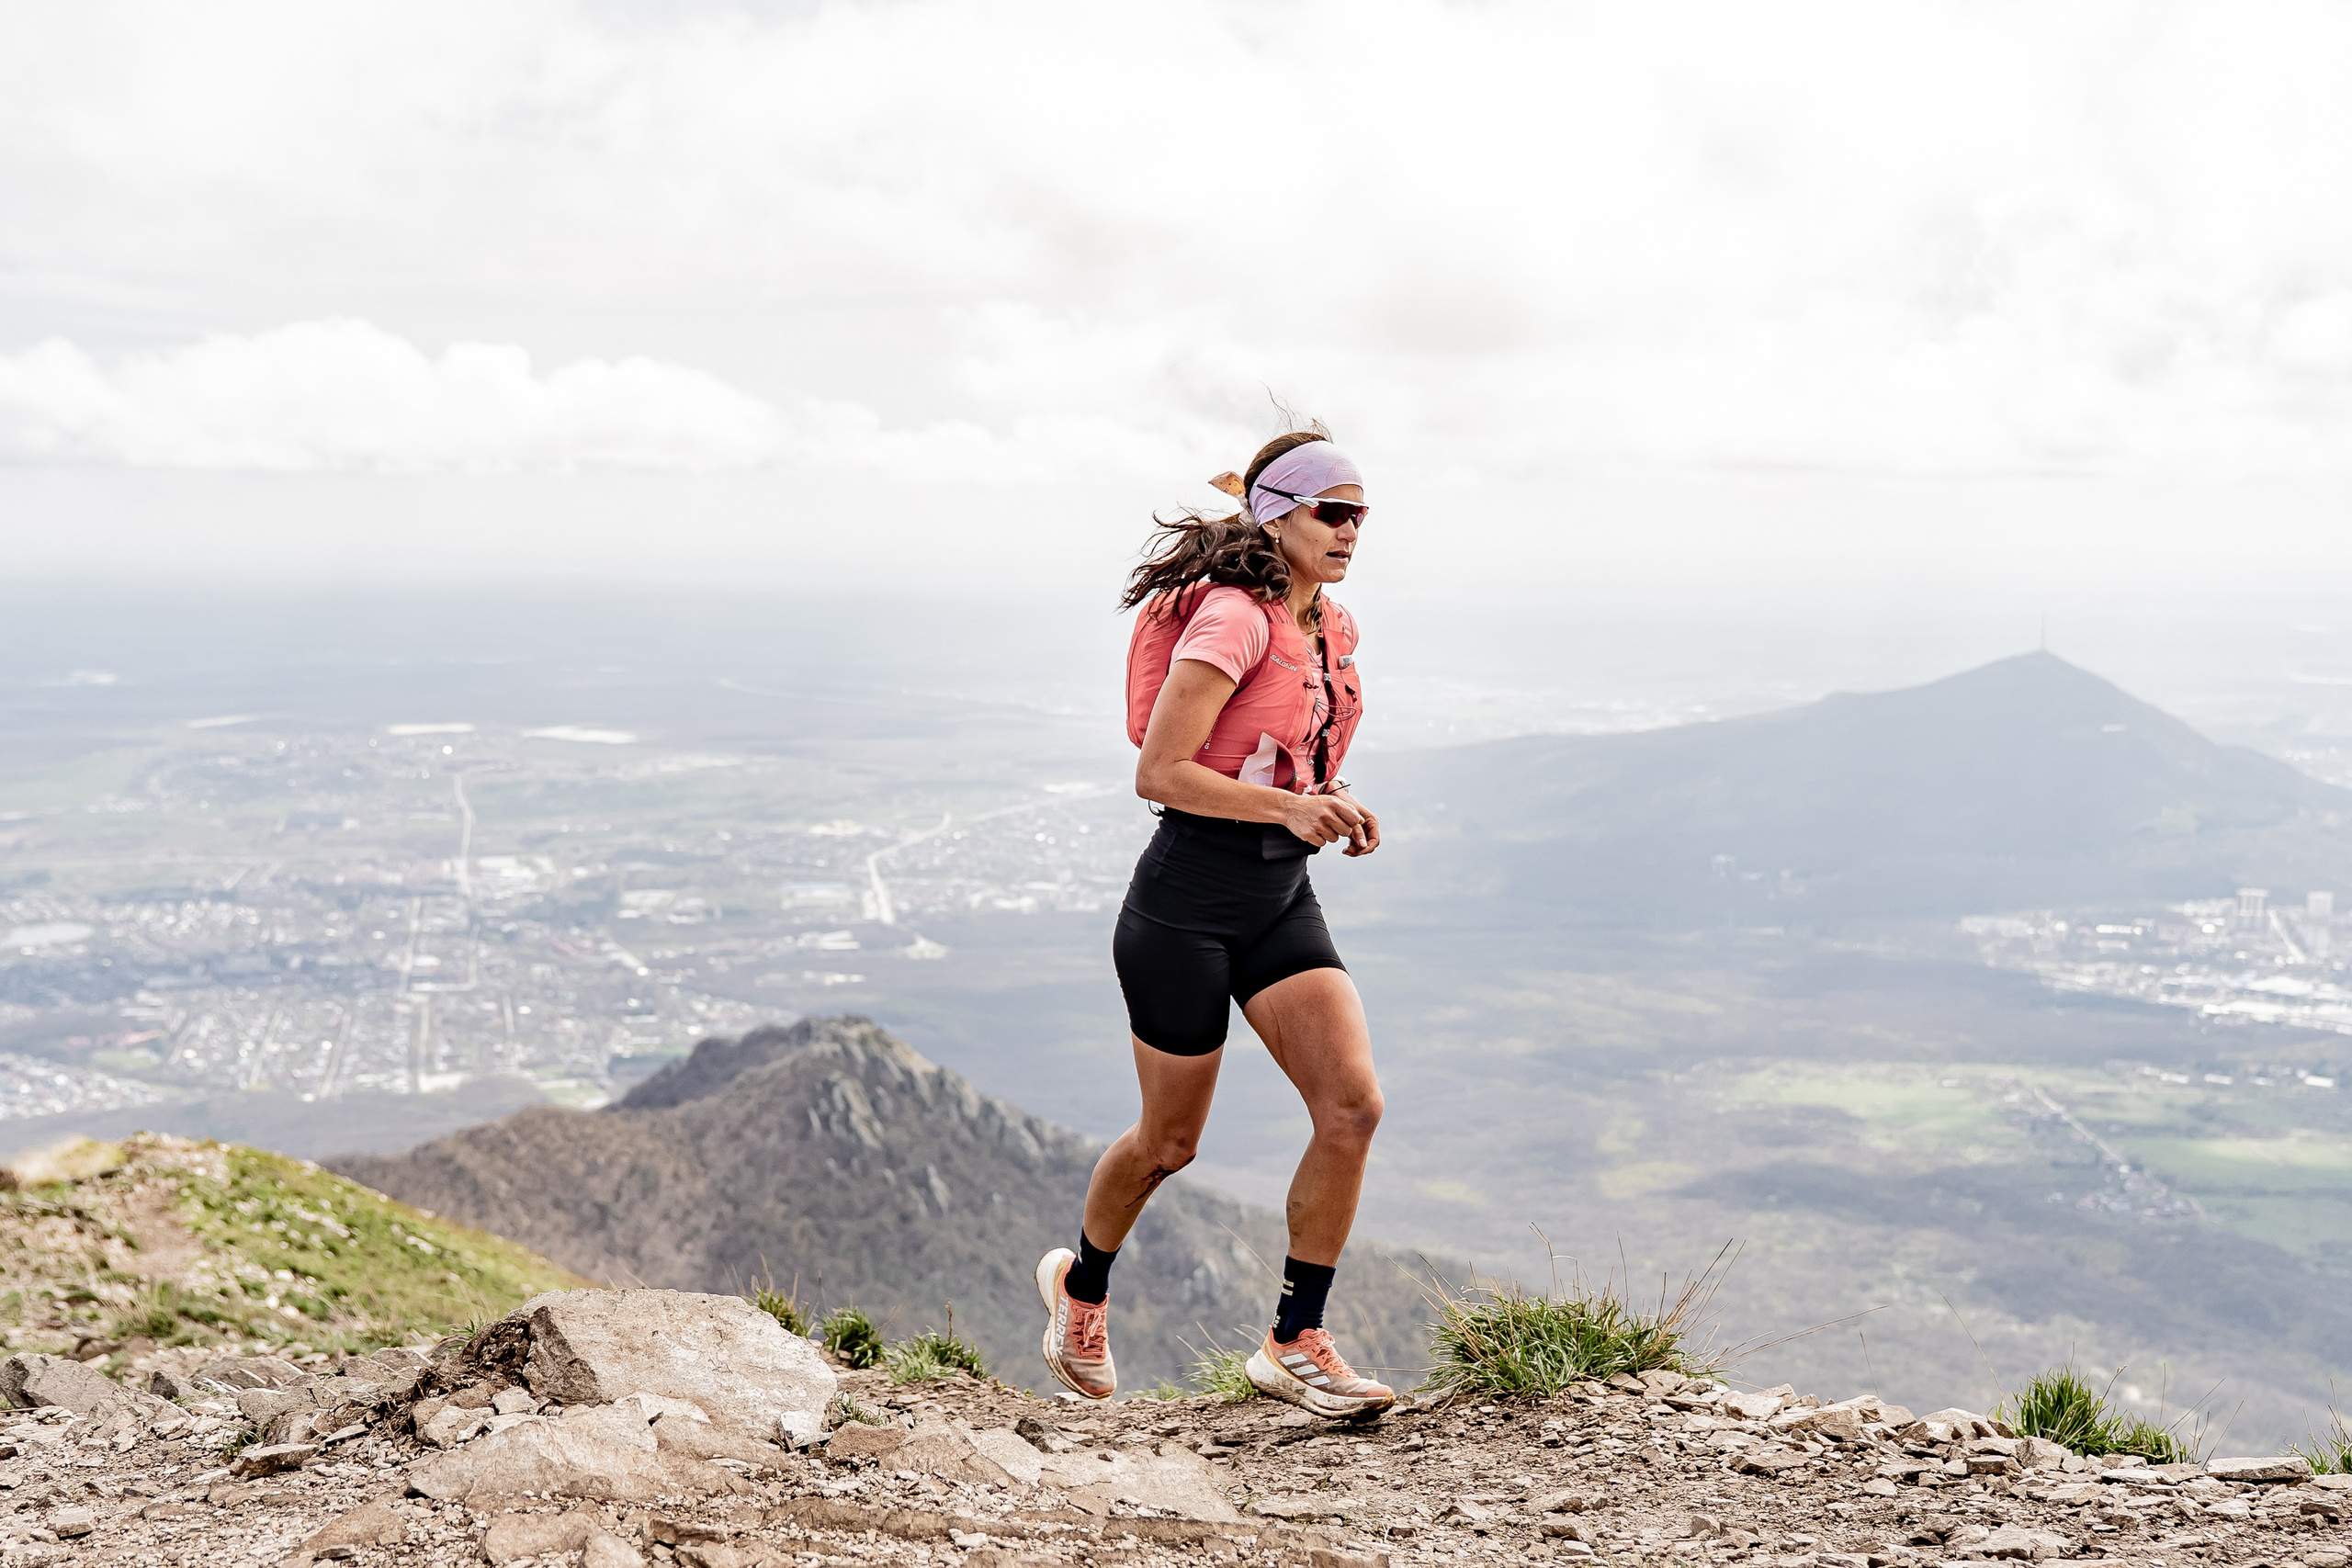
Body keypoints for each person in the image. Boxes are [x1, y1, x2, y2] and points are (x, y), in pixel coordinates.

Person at [1035, 427, 1393, 1419]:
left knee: (1352, 1109)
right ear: (1276, 517)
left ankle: (1294, 1341)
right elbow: (1160, 772)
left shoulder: (1330, 625)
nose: (1350, 530)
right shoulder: (1234, 618)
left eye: (1361, 514)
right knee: (1168, 1142)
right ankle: (1081, 1290)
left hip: (1280, 898)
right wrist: (1287, 809)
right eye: (1332, 511)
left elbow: (1276, 754)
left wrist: (1328, 802)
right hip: (1184, 907)